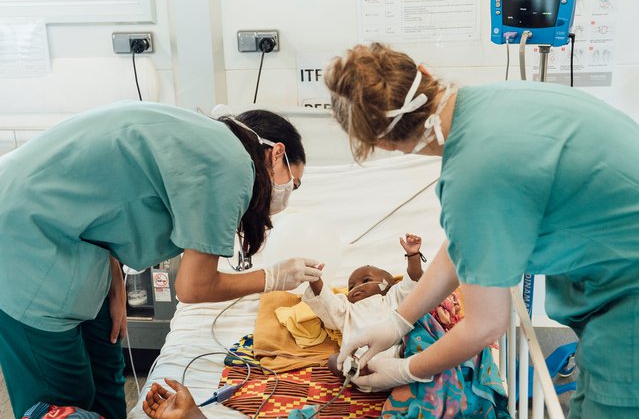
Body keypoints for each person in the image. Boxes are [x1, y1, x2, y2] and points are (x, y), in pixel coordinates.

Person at [324, 43, 639, 418]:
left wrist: (407, 369)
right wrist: (398, 321)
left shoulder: (473, 175)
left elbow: (484, 326)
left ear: (384, 144)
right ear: (423, 72)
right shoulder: (500, 99)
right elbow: (466, 245)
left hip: (627, 305)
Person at [0, 101, 323, 419]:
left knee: (107, 370)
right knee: (62, 399)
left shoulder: (202, 139)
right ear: (277, 153)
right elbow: (194, 288)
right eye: (292, 182)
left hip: (76, 239)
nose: (285, 193)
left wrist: (114, 280)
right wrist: (274, 278)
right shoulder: (231, 165)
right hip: (23, 240)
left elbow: (98, 197)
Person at [303, 234, 427, 383]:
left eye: (366, 280)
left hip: (398, 352)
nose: (356, 287)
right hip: (361, 359)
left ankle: (406, 362)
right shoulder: (347, 309)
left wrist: (413, 255)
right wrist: (315, 279)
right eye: (351, 286)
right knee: (334, 361)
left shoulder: (393, 296)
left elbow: (412, 280)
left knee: (419, 341)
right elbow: (327, 302)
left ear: (386, 285)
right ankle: (361, 371)